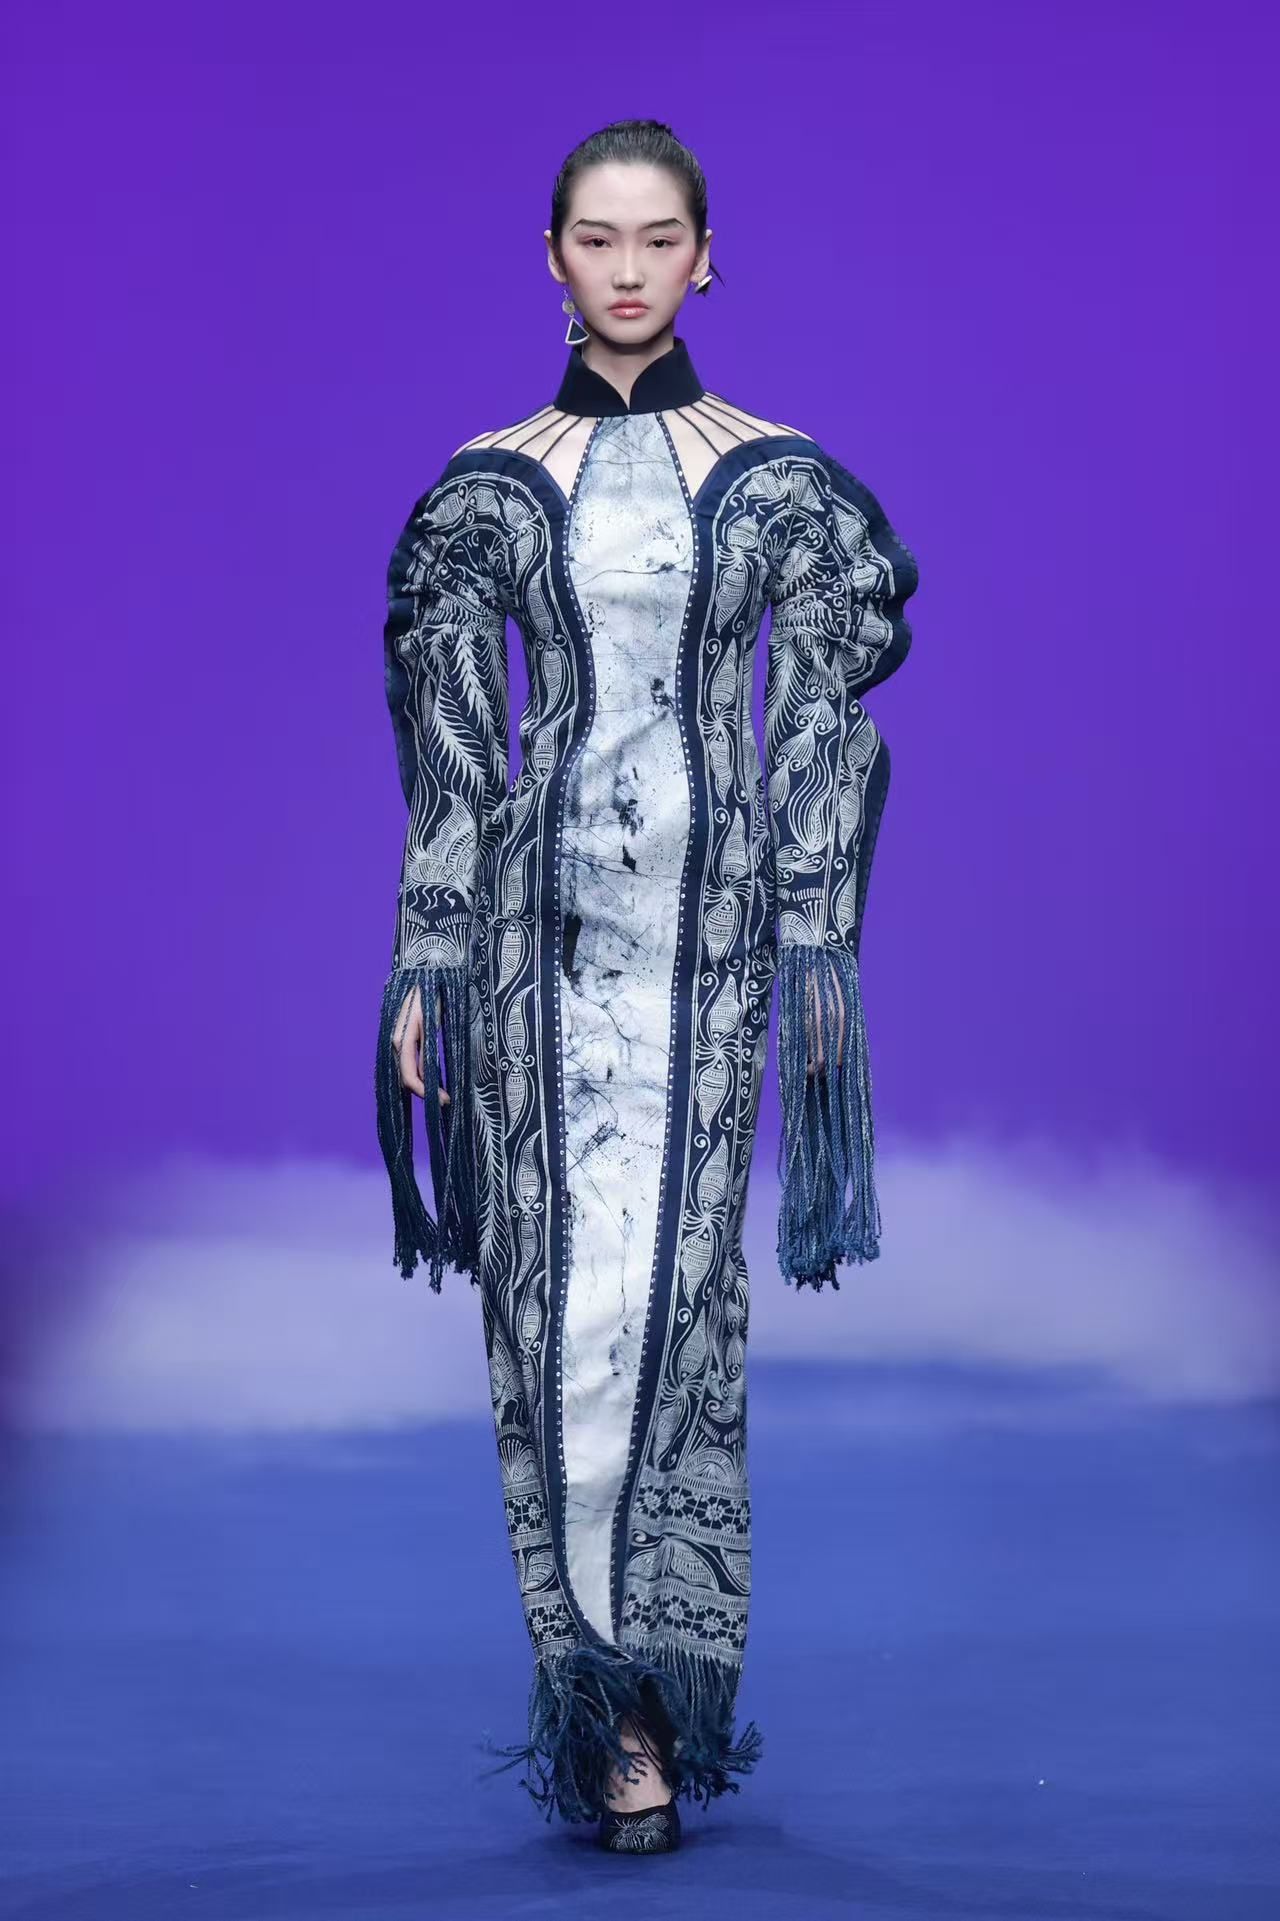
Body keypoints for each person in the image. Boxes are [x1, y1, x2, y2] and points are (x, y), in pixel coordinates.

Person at [374, 118, 919, 1854]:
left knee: (681, 1304)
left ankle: (664, 1680)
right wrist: (429, 958)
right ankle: (598, 1703)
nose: (626, 268)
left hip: (714, 948)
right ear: (551, 258)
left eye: (658, 237)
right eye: (597, 239)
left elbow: (827, 705)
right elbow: (453, 755)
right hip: (531, 950)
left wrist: (818, 928)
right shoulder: (488, 482)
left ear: (706, 256)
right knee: (541, 1302)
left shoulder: (773, 475)